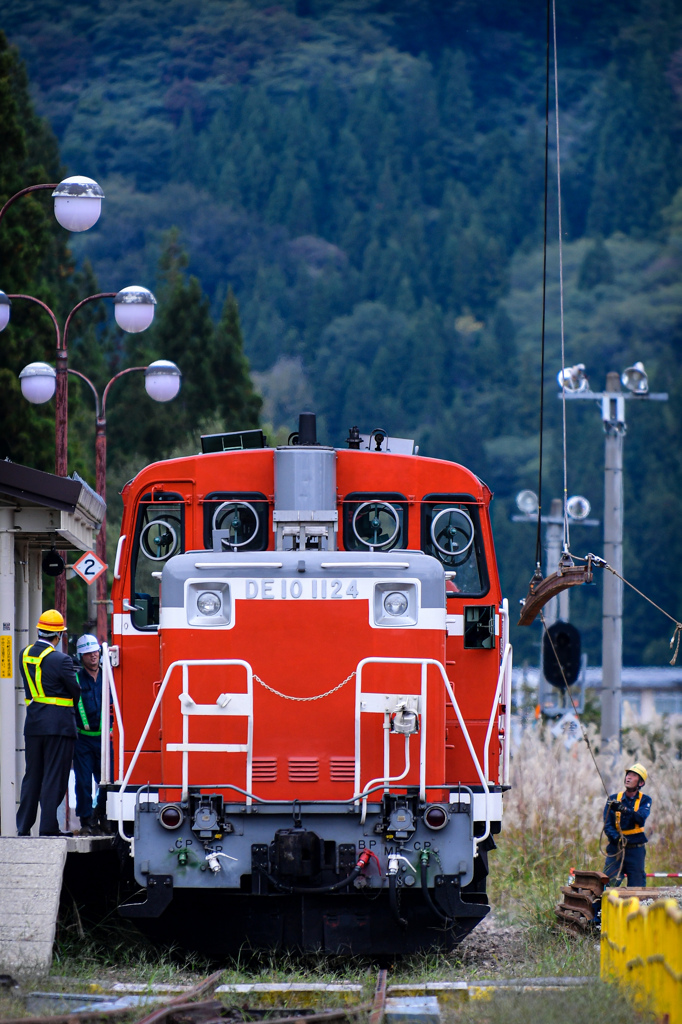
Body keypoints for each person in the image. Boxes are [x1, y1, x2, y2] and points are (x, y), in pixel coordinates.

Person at [16, 610, 80, 837]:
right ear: (59, 636)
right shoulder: (62, 660)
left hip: (34, 723)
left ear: (38, 630)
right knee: (54, 775)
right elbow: (75, 691)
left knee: (32, 774)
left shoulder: (24, 655)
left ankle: (23, 827)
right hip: (59, 725)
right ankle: (47, 828)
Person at [73, 634, 108, 836]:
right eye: (88, 653)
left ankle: (102, 817)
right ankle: (86, 821)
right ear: (81, 656)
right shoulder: (75, 679)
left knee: (106, 782)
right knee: (83, 781)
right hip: (83, 739)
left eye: (95, 651)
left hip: (105, 738)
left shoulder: (108, 676)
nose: (93, 656)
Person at [603, 762, 652, 887]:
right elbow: (607, 825)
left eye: (633, 775)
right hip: (616, 849)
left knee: (637, 888)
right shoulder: (613, 799)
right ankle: (601, 907)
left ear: (641, 783)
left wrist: (624, 810)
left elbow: (640, 818)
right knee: (607, 885)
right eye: (628, 774)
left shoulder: (645, 800)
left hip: (636, 850)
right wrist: (616, 838)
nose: (628, 777)